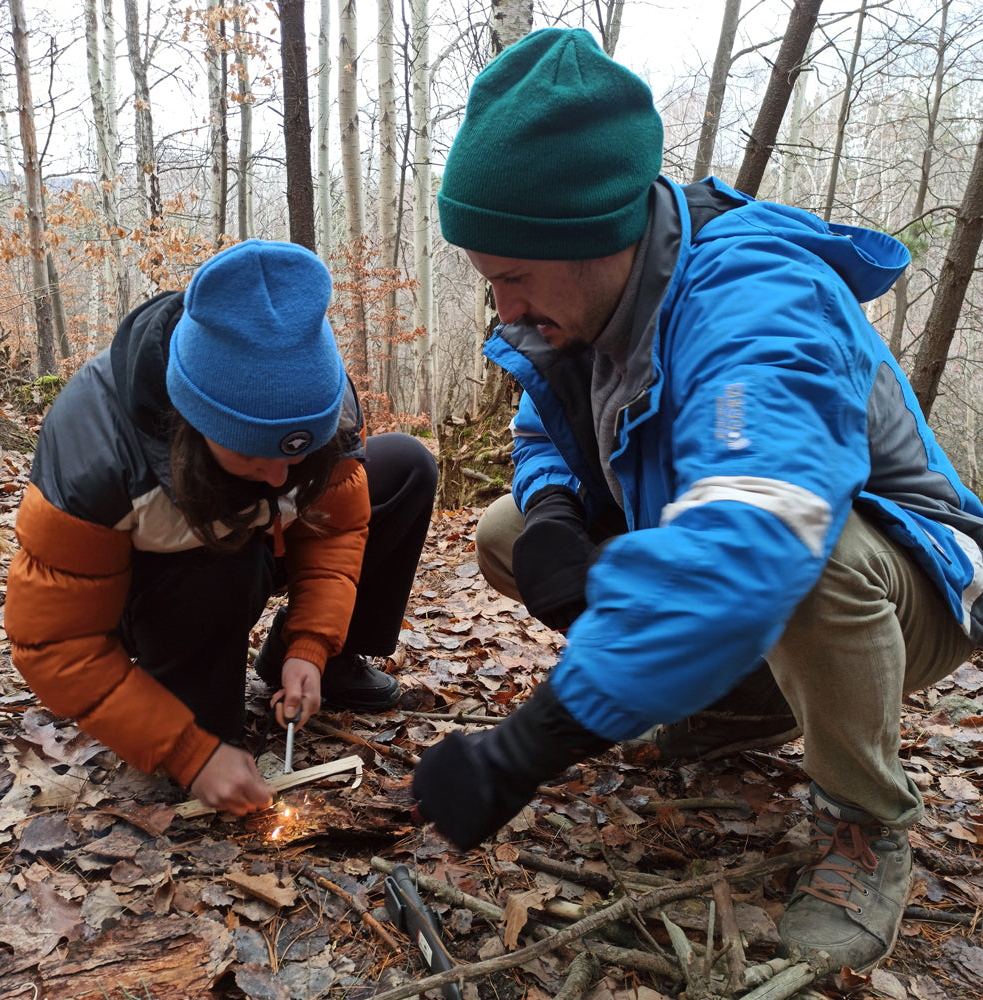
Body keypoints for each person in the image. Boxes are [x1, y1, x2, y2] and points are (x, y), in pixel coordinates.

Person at [411, 27, 983, 974]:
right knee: (508, 532)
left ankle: (865, 823)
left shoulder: (758, 298)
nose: (503, 310)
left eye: (512, 277)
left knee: (811, 556)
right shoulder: (585, 303)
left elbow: (761, 529)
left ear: (595, 238)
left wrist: (535, 742)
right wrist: (554, 516)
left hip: (911, 579)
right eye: (490, 281)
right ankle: (744, 699)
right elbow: (544, 429)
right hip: (757, 556)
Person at [6, 240, 437, 816]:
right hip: (156, 588)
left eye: (298, 454)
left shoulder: (321, 407)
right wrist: (190, 750)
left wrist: (310, 644)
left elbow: (333, 532)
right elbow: (56, 642)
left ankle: (325, 665)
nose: (280, 475)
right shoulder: (98, 453)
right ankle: (195, 702)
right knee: (209, 731)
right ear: (194, 420)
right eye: (253, 454)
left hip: (253, 550)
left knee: (406, 466)